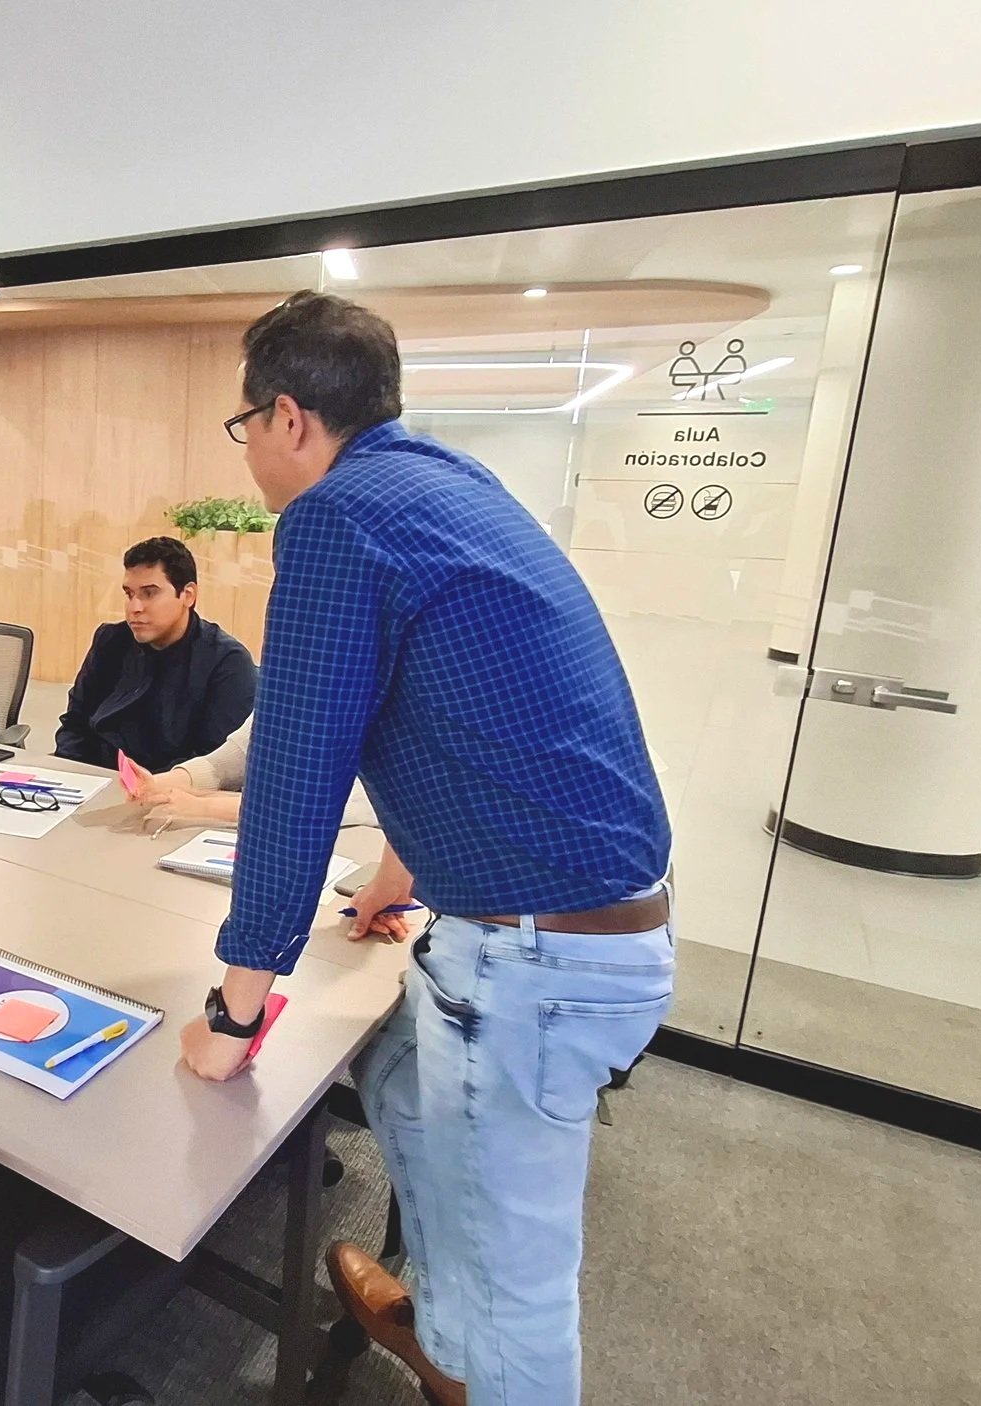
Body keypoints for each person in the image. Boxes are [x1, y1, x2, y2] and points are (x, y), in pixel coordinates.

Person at [182, 293, 672, 1406]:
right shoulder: (452, 482)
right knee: (393, 1061)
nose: (248, 445)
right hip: (594, 911)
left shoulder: (331, 517)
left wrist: (234, 1011)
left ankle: (478, 1341)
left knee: (522, 1290)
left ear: (291, 417)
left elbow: (298, 779)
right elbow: (446, 710)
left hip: (544, 961)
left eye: (244, 421)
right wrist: (399, 872)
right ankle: (441, 1321)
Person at [51, 536, 256, 772]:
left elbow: (212, 762)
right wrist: (74, 775)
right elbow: (75, 724)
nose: (135, 607)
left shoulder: (227, 662)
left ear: (188, 595)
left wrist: (146, 790)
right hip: (95, 780)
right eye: (129, 594)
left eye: (149, 593)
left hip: (170, 794)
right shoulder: (111, 641)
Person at [122, 714, 375, 832]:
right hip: (268, 827)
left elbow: (344, 806)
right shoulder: (292, 671)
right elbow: (238, 754)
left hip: (355, 842)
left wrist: (203, 807)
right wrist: (162, 784)